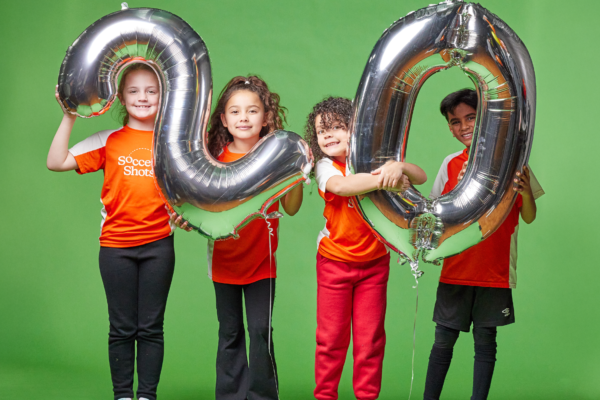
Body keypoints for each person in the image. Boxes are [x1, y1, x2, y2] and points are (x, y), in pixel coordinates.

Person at [47, 63, 175, 400]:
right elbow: (56, 161)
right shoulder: (108, 139)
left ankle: (146, 394)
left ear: (163, 96)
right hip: (115, 247)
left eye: (152, 90)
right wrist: (69, 115)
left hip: (159, 246)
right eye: (134, 91)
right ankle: (122, 395)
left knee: (150, 328)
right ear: (120, 97)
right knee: (121, 328)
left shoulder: (172, 141)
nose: (143, 97)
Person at [175, 76, 303, 400]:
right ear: (224, 119)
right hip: (224, 262)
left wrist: (296, 170)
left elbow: (292, 208)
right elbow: (198, 206)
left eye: (252, 111)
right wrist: (188, 219)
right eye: (235, 112)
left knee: (260, 332)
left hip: (263, 262)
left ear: (266, 118)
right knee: (230, 332)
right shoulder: (213, 158)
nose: (243, 118)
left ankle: (262, 396)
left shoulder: (275, 157)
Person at [424, 88, 545, 400]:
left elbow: (528, 216)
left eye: (471, 118)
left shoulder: (513, 161)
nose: (463, 126)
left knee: (485, 342)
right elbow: (438, 213)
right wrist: (462, 185)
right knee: (442, 341)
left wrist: (526, 193)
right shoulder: (450, 164)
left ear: (487, 119)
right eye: (455, 122)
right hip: (456, 269)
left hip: (494, 271)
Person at [304, 97, 427, 400]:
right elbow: (344, 187)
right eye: (322, 131)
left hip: (374, 264)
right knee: (331, 339)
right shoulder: (324, 166)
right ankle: (325, 395)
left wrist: (397, 167)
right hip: (334, 263)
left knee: (370, 340)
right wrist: (386, 182)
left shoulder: (375, 161)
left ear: (355, 129)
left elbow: (419, 176)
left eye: (337, 127)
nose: (328, 135)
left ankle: (367, 396)